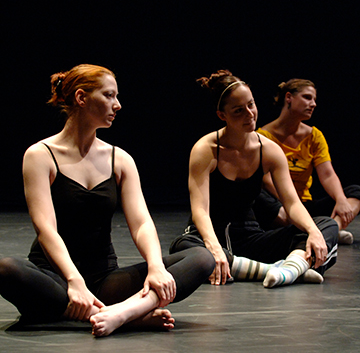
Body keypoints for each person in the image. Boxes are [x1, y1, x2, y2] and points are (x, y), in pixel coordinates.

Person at [0, 64, 215, 337]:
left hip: (105, 280)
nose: (118, 105)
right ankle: (117, 317)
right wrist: (74, 281)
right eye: (109, 95)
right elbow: (46, 229)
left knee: (201, 257)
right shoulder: (40, 155)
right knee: (6, 268)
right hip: (55, 277)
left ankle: (126, 312)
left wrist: (156, 267)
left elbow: (141, 223)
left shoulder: (120, 159)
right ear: (81, 98)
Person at [169, 70, 338, 289]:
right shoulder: (206, 150)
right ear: (223, 115)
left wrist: (312, 232)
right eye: (239, 110)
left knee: (325, 226)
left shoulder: (269, 150)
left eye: (251, 105)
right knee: (184, 250)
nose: (249, 114)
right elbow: (200, 211)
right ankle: (285, 270)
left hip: (251, 238)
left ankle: (280, 270)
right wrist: (214, 248)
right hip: (208, 237)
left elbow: (293, 203)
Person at [256, 79, 360, 244]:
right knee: (256, 195)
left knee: (355, 191)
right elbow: (266, 179)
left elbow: (327, 174)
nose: (313, 104)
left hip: (305, 205)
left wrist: (341, 200)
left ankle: (331, 229)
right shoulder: (262, 136)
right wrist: (291, 202)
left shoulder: (314, 136)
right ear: (288, 97)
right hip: (280, 205)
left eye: (314, 99)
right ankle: (321, 231)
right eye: (307, 97)